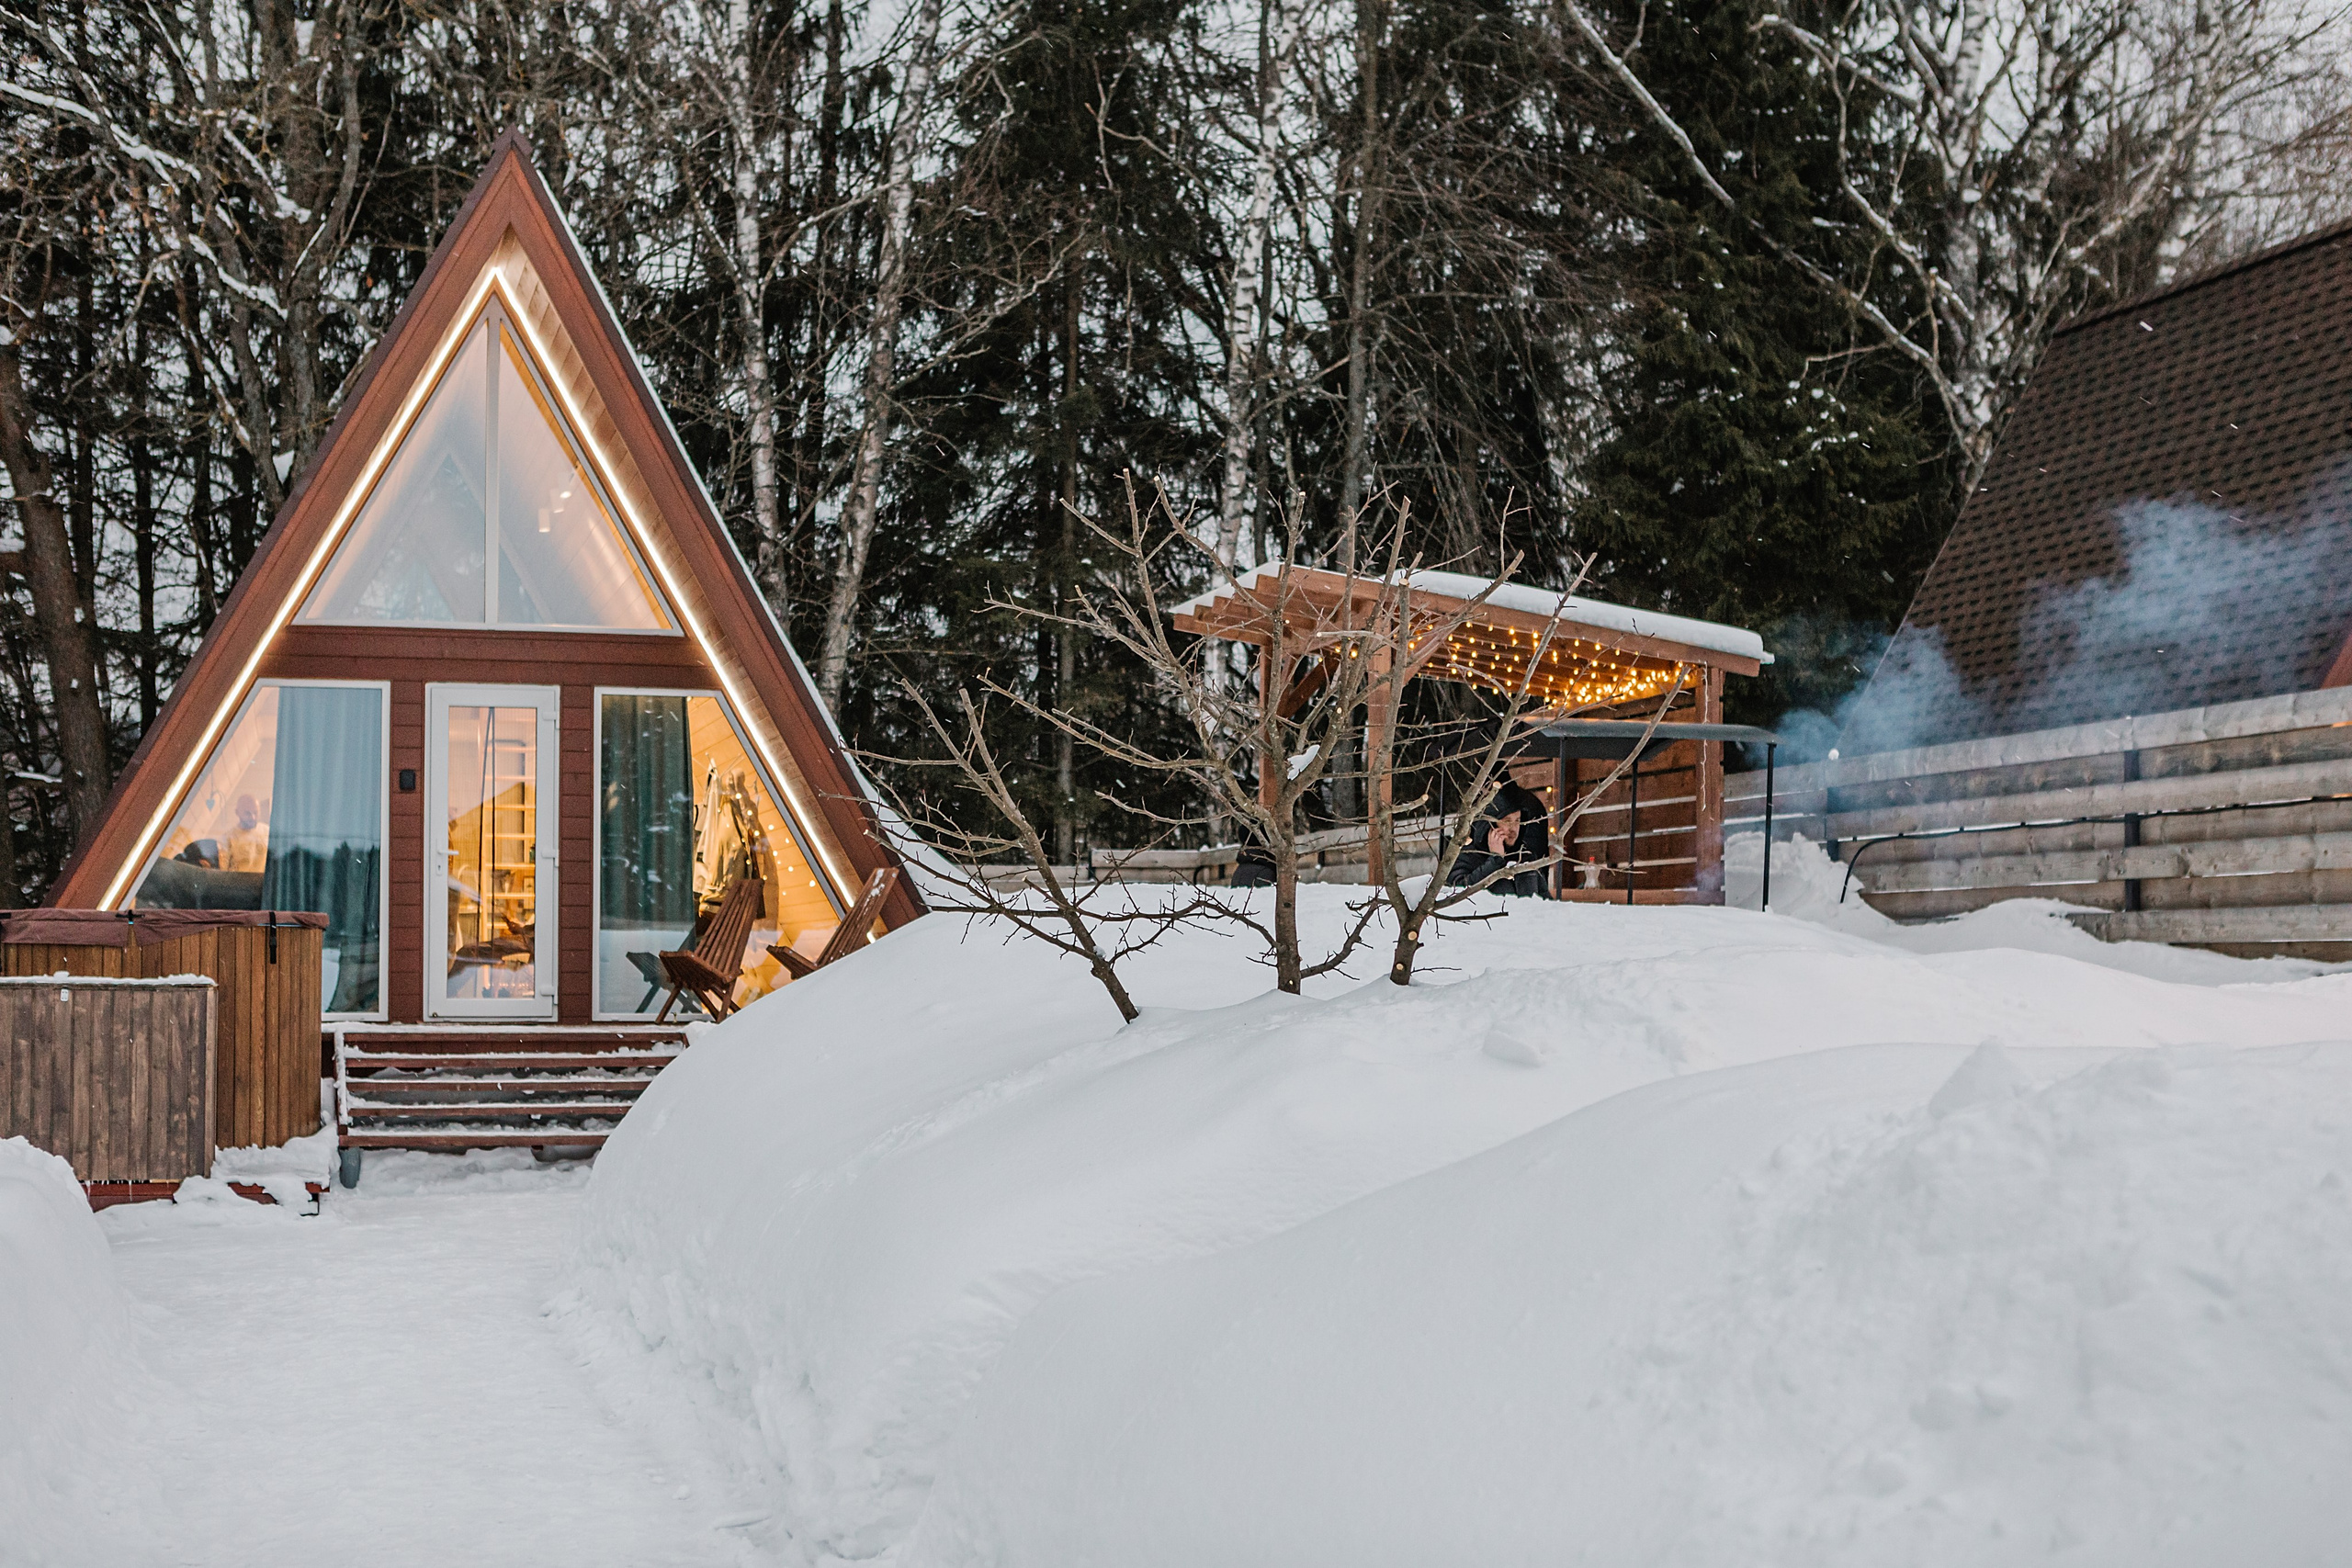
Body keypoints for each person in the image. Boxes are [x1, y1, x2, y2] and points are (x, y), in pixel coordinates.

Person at [1446, 779, 1552, 897]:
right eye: (1507, 821)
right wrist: (1494, 861)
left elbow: (1545, 902)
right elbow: (1458, 894)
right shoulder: (1467, 856)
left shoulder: (1526, 856)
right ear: (1489, 824)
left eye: (1517, 820)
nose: (1513, 828)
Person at [220, 794, 270, 873]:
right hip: (241, 884)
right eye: (248, 813)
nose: (253, 817)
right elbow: (223, 871)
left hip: (265, 884)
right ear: (237, 812)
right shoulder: (228, 838)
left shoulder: (269, 832)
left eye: (256, 812)